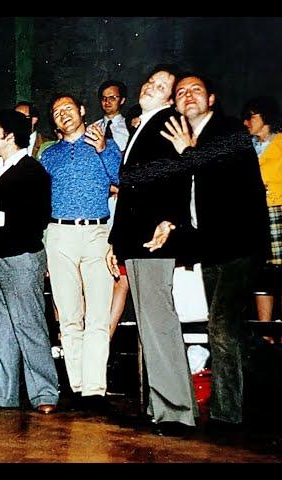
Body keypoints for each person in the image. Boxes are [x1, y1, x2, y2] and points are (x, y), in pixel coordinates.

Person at [121, 73, 269, 429]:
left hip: (240, 244)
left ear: (212, 99)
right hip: (211, 247)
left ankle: (227, 415)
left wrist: (187, 151)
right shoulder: (182, 136)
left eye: (196, 90)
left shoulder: (229, 130)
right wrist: (170, 222)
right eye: (182, 91)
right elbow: (182, 192)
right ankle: (249, 401)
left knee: (221, 325)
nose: (188, 95)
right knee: (229, 328)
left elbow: (214, 168)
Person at [107, 65, 199, 436]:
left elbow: (179, 175)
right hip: (135, 239)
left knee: (159, 324)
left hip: (154, 239)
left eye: (161, 85)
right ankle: (164, 405)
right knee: (150, 325)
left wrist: (170, 222)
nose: (150, 86)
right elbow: (130, 194)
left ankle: (176, 412)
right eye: (149, 81)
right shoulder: (141, 126)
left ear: (170, 97)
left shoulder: (167, 123)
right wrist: (116, 241)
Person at [0, 109, 58, 414]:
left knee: (29, 325)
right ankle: (2, 393)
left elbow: (39, 215)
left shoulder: (33, 171)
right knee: (0, 329)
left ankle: (44, 393)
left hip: (22, 259)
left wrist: (0, 217)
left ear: (10, 137)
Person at [40, 94, 121, 411]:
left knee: (98, 316)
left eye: (68, 109)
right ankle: (76, 387)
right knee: (70, 317)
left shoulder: (105, 145)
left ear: (83, 111)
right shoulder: (49, 156)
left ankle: (95, 390)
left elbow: (122, 179)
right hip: (58, 235)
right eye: (57, 112)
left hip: (97, 234)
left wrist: (103, 149)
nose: (63, 115)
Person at [242, 96, 282, 342]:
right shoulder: (247, 148)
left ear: (265, 116)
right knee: (260, 274)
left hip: (278, 212)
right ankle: (265, 337)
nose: (247, 122)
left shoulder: (280, 143)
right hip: (254, 216)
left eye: (252, 116)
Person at [93, 81, 131, 338]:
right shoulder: (92, 128)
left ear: (122, 101)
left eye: (113, 98)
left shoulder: (130, 128)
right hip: (99, 206)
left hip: (122, 202)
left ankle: (108, 332)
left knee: (121, 271)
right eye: (104, 98)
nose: (108, 102)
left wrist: (118, 189)